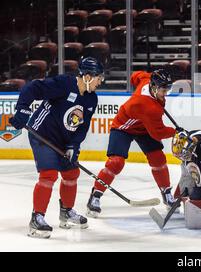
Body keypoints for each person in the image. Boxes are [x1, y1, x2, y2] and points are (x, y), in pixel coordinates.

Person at [9, 57, 104, 238]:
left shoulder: (92, 99)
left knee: (71, 174)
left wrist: (73, 145)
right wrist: (22, 109)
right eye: (99, 78)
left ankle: (66, 212)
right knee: (49, 175)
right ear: (88, 76)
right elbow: (32, 88)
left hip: (62, 140)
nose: (100, 82)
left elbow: (82, 126)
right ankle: (37, 218)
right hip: (42, 135)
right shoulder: (64, 84)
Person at [86, 69, 182, 217]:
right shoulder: (147, 106)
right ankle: (95, 195)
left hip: (144, 127)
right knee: (115, 163)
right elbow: (158, 132)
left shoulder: (147, 80)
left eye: (167, 89)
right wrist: (175, 132)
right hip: (124, 127)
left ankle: (166, 193)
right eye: (164, 90)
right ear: (154, 87)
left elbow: (134, 76)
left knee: (158, 159)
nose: (166, 93)